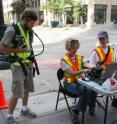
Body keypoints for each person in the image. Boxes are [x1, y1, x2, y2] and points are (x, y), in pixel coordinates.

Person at [0, 10, 38, 124]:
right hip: (17, 65)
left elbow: (28, 46)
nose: (33, 26)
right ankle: (10, 116)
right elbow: (1, 48)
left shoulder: (28, 30)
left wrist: (31, 57)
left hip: (28, 63)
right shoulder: (12, 30)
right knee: (17, 92)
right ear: (25, 20)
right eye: (32, 23)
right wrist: (18, 50)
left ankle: (24, 109)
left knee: (26, 89)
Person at [60, 39, 94, 124]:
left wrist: (95, 67)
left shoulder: (78, 57)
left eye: (76, 48)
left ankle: (88, 106)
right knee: (86, 90)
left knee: (92, 88)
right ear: (68, 47)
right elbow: (71, 73)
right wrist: (83, 70)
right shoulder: (64, 60)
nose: (75, 50)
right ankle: (76, 112)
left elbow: (87, 64)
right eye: (73, 48)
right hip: (69, 84)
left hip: (79, 82)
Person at [89, 31, 117, 116]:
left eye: (103, 38)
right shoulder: (95, 52)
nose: (101, 40)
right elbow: (91, 66)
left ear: (107, 39)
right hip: (99, 76)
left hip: (111, 74)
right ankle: (92, 106)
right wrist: (99, 70)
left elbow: (115, 63)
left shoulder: (112, 50)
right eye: (100, 39)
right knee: (94, 88)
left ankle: (115, 100)